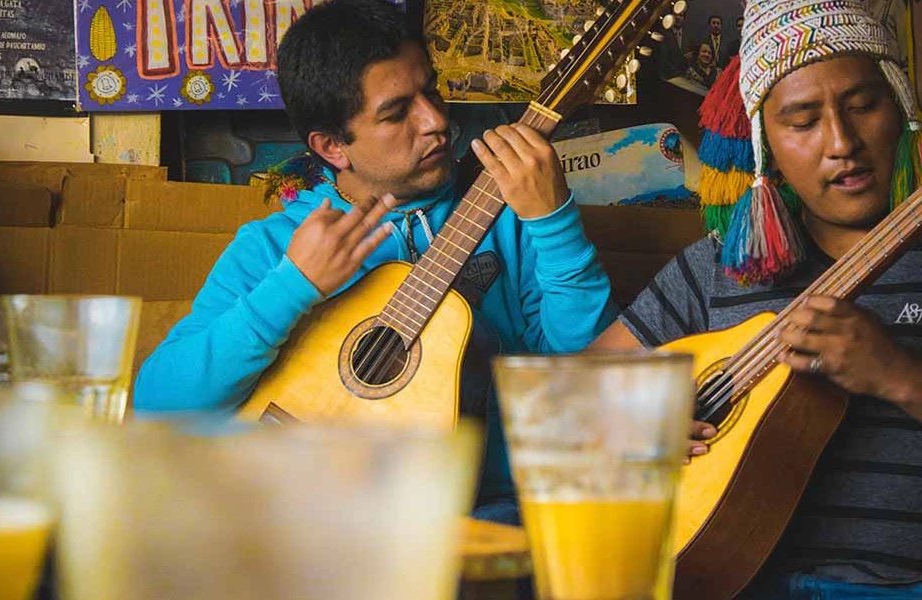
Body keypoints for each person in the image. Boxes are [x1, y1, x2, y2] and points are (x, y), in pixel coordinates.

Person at [135, 0, 617, 525]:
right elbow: (159, 407)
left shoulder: (515, 209)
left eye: (431, 90)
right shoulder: (275, 247)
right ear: (333, 147)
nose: (436, 121)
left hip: (481, 509)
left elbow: (590, 378)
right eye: (396, 112)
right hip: (304, 517)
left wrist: (553, 221)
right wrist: (292, 287)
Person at [590, 0, 922, 597]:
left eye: (863, 105)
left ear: (900, 107)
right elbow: (569, 393)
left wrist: (900, 377)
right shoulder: (717, 267)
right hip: (722, 577)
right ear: (765, 141)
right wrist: (633, 421)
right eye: (802, 121)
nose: (841, 142)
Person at [657, 9, 692, 80]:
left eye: (681, 15)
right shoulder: (663, 35)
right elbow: (663, 60)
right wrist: (683, 58)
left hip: (685, 78)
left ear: (684, 18)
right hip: (668, 78)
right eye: (675, 15)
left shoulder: (689, 36)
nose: (678, 17)